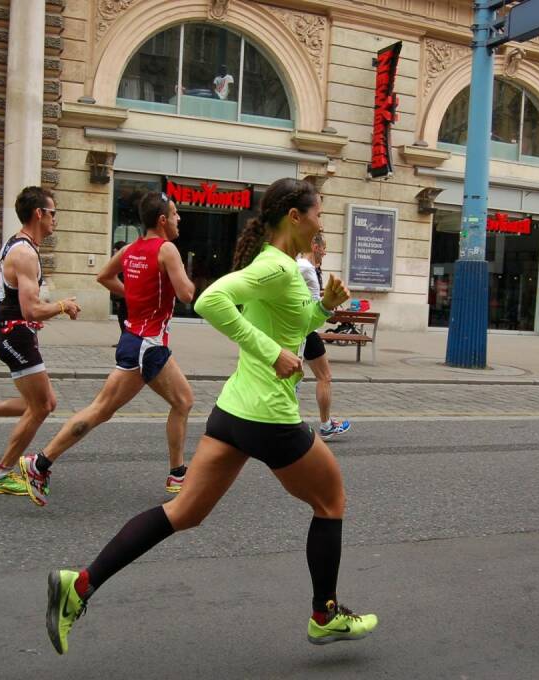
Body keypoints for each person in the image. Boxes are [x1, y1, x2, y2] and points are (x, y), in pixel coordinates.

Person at [42, 178, 378, 656]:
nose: (322, 223)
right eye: (319, 213)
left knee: (184, 512)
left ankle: (79, 586)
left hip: (235, 412)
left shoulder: (281, 266)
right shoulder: (275, 266)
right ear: (295, 217)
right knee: (331, 502)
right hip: (269, 416)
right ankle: (324, 613)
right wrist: (269, 353)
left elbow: (293, 326)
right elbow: (208, 301)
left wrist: (323, 306)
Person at [18, 192, 196, 505]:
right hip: (147, 345)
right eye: (176, 213)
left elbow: (103, 276)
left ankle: (177, 473)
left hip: (139, 341)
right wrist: (188, 282)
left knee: (182, 400)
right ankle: (40, 463)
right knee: (101, 409)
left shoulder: (130, 249)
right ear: (162, 220)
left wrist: (134, 295)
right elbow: (186, 295)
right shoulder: (167, 249)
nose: (179, 219)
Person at [0, 186, 81, 496]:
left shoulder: (14, 245)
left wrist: (11, 311)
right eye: (53, 214)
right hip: (15, 337)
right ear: (39, 214)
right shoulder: (25, 253)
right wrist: (62, 305)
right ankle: (1, 473)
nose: (55, 220)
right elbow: (32, 307)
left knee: (46, 402)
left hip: (13, 331)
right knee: (41, 406)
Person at [297, 233, 351, 440]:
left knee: (312, 376)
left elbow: (307, 298)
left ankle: (324, 423)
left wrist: (327, 305)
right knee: (319, 377)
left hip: (306, 328)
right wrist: (326, 309)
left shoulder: (308, 268)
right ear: (314, 246)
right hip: (304, 329)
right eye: (324, 247)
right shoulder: (304, 267)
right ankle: (323, 425)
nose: (326, 252)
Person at [109, 240, 127, 332]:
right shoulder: (119, 261)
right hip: (120, 296)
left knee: (123, 319)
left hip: (123, 297)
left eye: (115, 250)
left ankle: (125, 340)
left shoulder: (122, 262)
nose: (113, 252)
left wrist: (119, 298)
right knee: (122, 319)